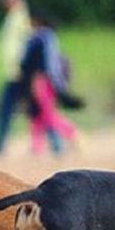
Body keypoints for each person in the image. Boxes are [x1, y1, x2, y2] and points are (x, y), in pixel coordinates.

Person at [19, 9, 81, 156]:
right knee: (37, 113)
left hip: (42, 79)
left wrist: (37, 80)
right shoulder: (48, 37)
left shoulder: (41, 37)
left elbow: (43, 63)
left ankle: (74, 135)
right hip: (47, 80)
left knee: (47, 113)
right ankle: (36, 147)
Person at [0, 0, 33, 154]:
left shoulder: (21, 17)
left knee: (7, 109)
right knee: (35, 110)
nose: (4, 1)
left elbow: (29, 42)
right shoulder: (14, 16)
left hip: (19, 72)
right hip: (14, 72)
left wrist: (25, 67)